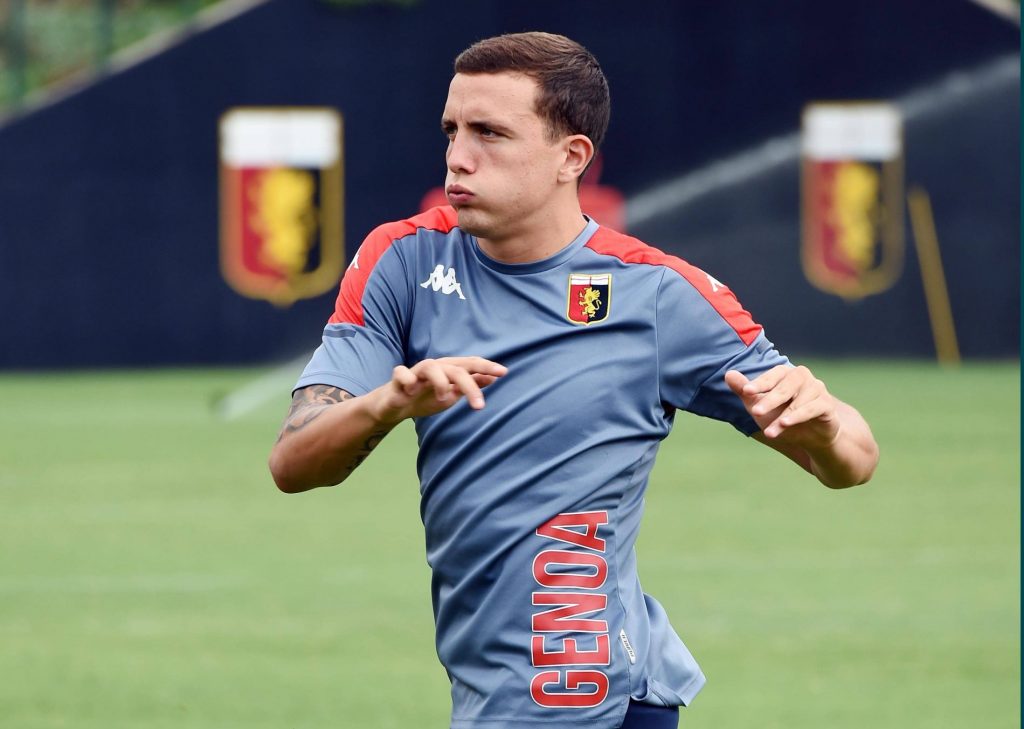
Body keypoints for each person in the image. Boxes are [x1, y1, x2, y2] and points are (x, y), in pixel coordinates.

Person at [269, 31, 879, 729]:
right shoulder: (403, 261)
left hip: (597, 696)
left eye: (490, 133)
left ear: (572, 156)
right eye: (452, 130)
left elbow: (853, 458)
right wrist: (388, 403)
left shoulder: (657, 294)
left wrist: (822, 427)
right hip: (494, 697)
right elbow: (294, 462)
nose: (458, 157)